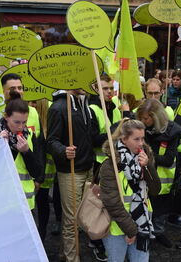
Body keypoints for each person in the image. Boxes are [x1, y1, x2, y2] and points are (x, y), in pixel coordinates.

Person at [46, 89, 102, 262]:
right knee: (72, 220)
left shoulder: (87, 106)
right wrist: (63, 150)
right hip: (70, 171)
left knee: (78, 217)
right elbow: (51, 141)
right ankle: (72, 259)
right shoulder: (58, 107)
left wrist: (115, 131)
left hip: (87, 167)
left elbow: (92, 138)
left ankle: (65, 253)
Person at [99, 119, 161, 262]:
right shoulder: (110, 164)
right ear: (124, 139)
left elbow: (155, 190)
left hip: (142, 224)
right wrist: (131, 230)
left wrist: (148, 167)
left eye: (142, 138)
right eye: (136, 139)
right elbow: (111, 202)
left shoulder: (145, 157)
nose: (141, 143)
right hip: (117, 228)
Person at [0, 94, 44, 210]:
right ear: (6, 117)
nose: (21, 127)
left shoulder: (30, 136)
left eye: (24, 122)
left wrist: (27, 152)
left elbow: (37, 172)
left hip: (24, 202)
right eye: (17, 122)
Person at [135, 98, 181, 248]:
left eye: (146, 118)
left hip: (163, 178)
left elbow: (168, 159)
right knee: (144, 207)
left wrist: (148, 158)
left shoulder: (173, 131)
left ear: (156, 117)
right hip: (143, 177)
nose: (143, 121)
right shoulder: (140, 129)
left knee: (161, 211)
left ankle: (158, 232)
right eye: (141, 118)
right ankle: (144, 233)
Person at [89, 74, 123, 165]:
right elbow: (93, 140)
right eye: (105, 88)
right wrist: (114, 131)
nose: (109, 91)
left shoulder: (115, 109)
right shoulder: (92, 109)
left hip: (117, 160)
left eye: (111, 88)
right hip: (98, 162)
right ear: (96, 90)